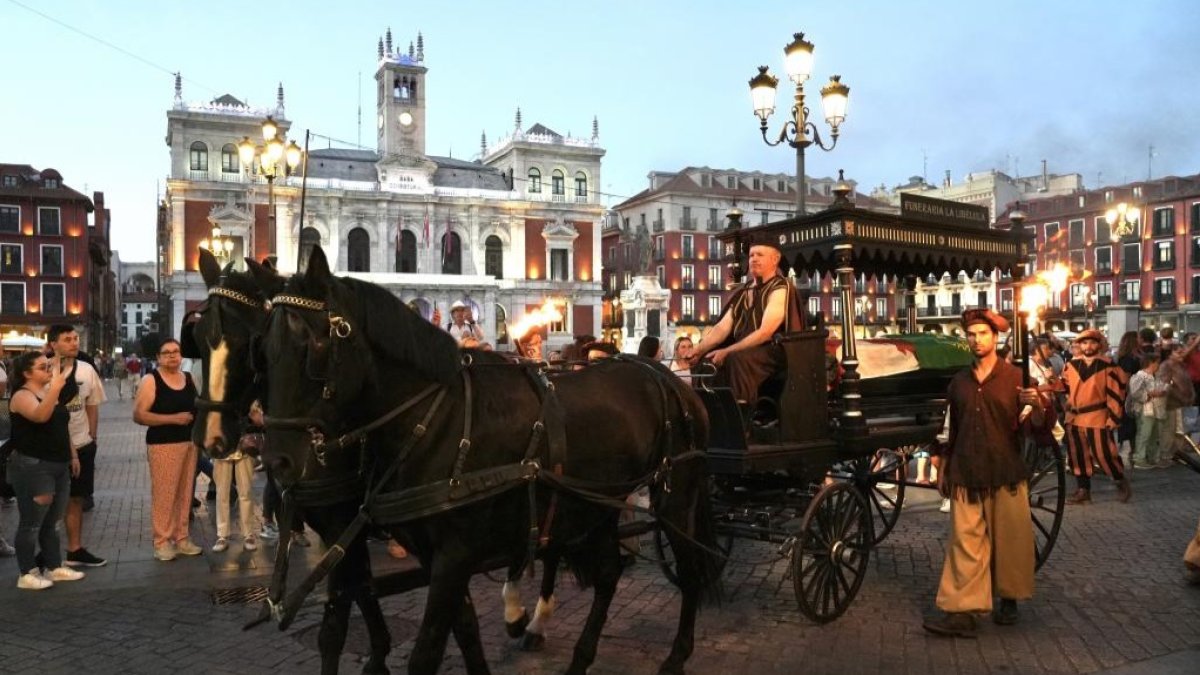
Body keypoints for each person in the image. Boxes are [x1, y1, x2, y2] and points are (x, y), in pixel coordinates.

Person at [922, 309, 1045, 637]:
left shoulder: (1017, 378)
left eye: (983, 334)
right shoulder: (959, 382)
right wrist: (941, 462)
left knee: (1010, 540)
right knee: (965, 543)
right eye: (972, 334)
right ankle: (963, 612)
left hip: (1004, 469)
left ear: (996, 337)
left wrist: (1037, 405)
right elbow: (949, 427)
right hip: (966, 471)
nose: (976, 340)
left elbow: (1041, 430)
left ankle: (1009, 597)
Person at [6, 351, 86, 589]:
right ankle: (27, 571)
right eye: (42, 367)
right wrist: (55, 388)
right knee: (32, 522)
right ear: (26, 373)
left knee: (52, 521)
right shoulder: (22, 395)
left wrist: (72, 453)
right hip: (34, 465)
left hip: (59, 463)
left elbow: (61, 425)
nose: (49, 370)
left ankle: (53, 566)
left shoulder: (50, 391)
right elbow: (40, 416)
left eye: (48, 366)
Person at [688, 239, 795, 409]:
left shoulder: (780, 288)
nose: (753, 259)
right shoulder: (744, 291)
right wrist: (698, 350)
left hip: (770, 351)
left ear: (775, 259)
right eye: (751, 255)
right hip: (743, 349)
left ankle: (741, 416)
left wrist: (727, 350)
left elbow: (765, 332)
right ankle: (709, 413)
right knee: (706, 362)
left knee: (735, 359)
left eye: (760, 254)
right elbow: (722, 328)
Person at [133, 338, 202, 561]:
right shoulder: (151, 380)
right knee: (165, 494)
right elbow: (139, 415)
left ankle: (182, 538)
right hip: (163, 445)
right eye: (167, 352)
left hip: (189, 443)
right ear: (159, 358)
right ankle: (162, 542)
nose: (172, 355)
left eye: (176, 351)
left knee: (185, 494)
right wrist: (173, 419)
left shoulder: (189, 378)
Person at [47, 325, 108, 568]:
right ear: (53, 344)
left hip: (82, 443)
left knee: (76, 498)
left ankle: (75, 549)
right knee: (48, 501)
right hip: (51, 446)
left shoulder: (86, 369)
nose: (74, 343)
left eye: (75, 338)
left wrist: (92, 436)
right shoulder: (42, 368)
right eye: (67, 339)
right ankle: (47, 553)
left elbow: (92, 405)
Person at [1061, 328, 1130, 505]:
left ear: (1099, 345)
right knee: (1077, 455)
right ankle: (1083, 490)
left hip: (1097, 416)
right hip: (1074, 418)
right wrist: (1050, 382)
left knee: (1104, 454)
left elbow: (1115, 393)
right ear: (1079, 345)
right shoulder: (1070, 365)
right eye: (1084, 342)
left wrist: (1114, 417)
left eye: (1092, 342)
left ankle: (1120, 481)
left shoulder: (1108, 366)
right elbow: (1064, 387)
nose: (1088, 346)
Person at [211, 399, 262, 553]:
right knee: (222, 492)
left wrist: (253, 411)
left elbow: (257, 418)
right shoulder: (217, 387)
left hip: (244, 444)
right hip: (222, 443)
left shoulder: (247, 390)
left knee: (245, 492)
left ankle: (248, 533)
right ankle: (222, 535)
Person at [1126, 351, 1166, 470]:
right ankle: (1139, 458)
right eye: (1157, 363)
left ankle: (1152, 457)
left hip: (1155, 408)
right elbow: (1135, 392)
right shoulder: (1140, 376)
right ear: (1151, 363)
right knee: (1144, 433)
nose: (1158, 365)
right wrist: (1150, 394)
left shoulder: (1155, 376)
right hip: (1145, 409)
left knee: (1153, 434)